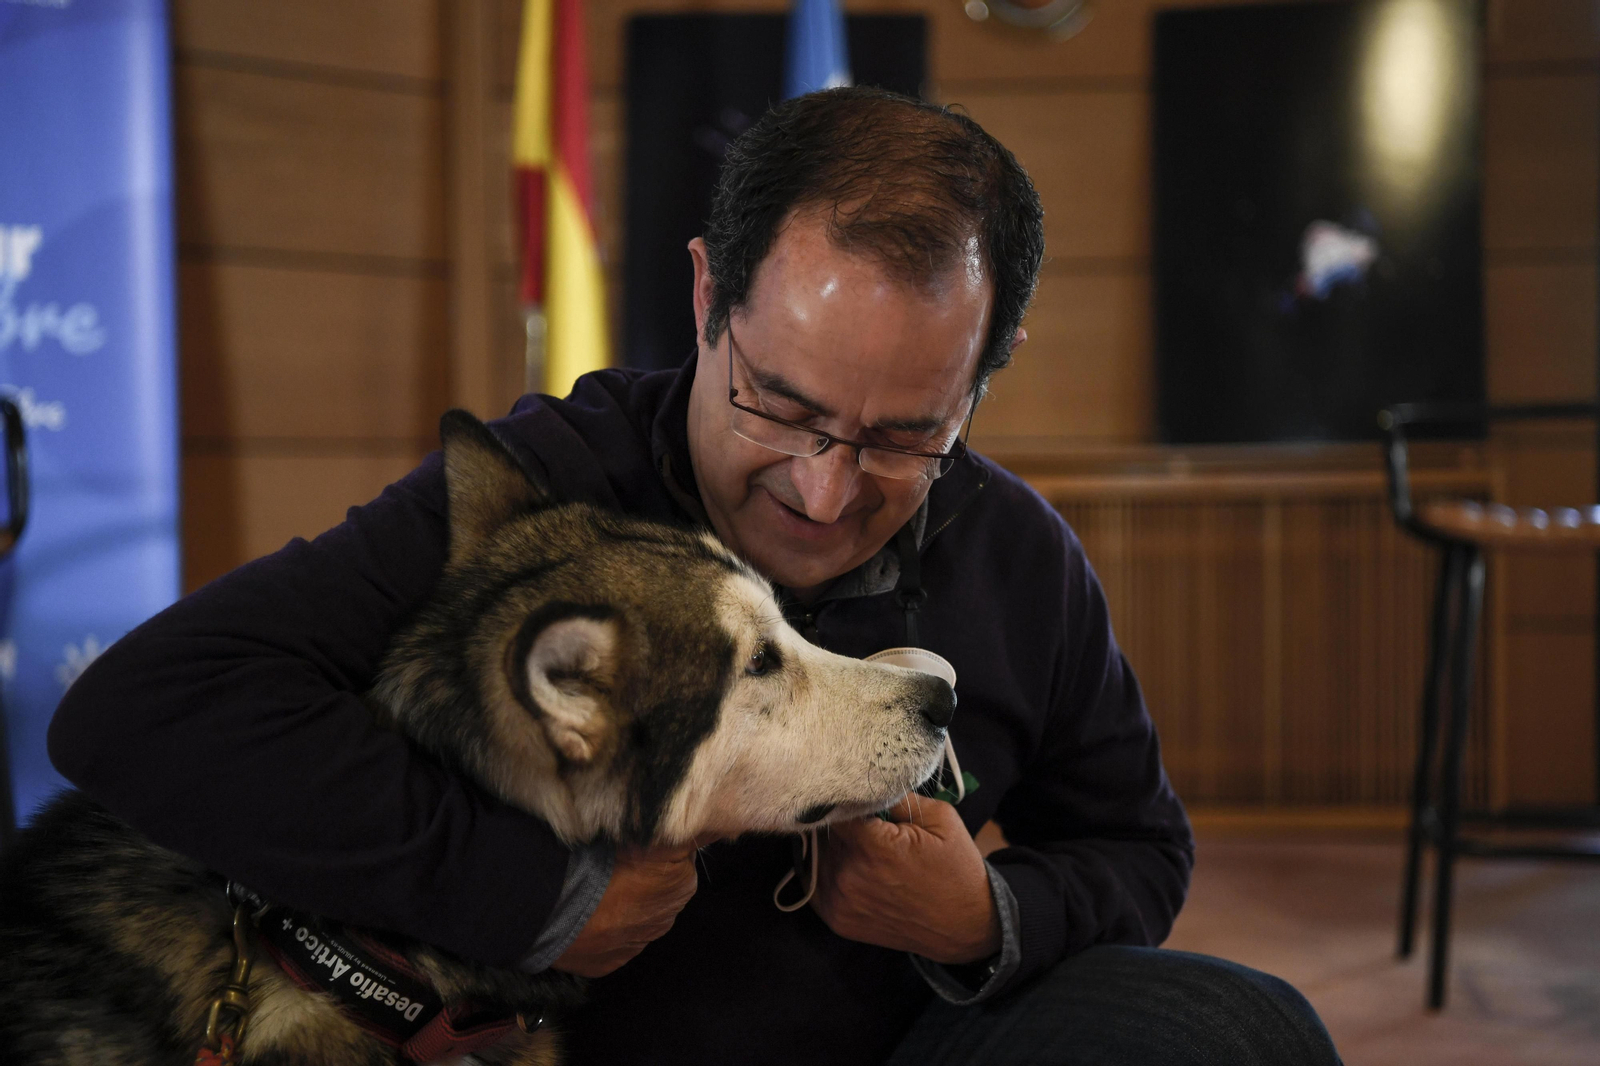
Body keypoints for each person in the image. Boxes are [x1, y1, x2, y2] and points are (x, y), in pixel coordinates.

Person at [49, 88, 1340, 1065]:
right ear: (708, 294)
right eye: (780, 405)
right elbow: (145, 709)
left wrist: (983, 914)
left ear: (980, 383)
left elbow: (1137, 845)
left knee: (1241, 1028)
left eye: (905, 436)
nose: (826, 491)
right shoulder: (547, 497)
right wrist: (534, 895)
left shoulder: (1018, 552)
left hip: (890, 1042)